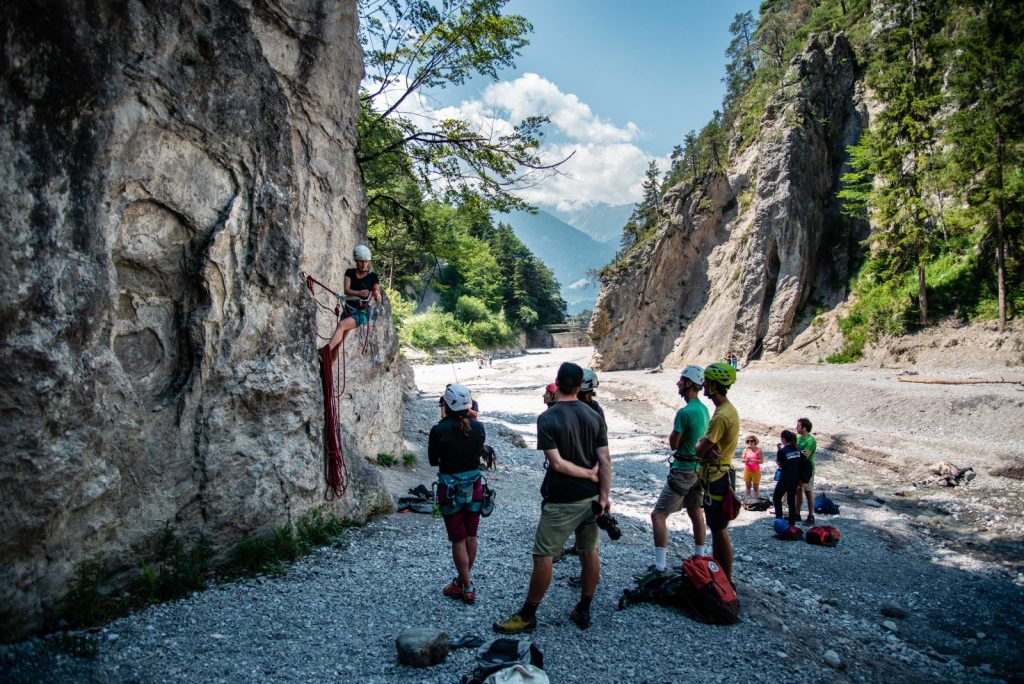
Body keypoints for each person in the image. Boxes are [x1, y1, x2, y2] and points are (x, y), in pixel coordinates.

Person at [493, 362, 612, 633]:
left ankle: (528, 615)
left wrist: (588, 475)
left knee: (543, 556)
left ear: (557, 383)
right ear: (580, 385)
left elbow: (557, 464)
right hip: (592, 499)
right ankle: (584, 608)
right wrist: (604, 495)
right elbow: (605, 459)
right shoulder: (595, 415)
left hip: (562, 499)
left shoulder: (547, 418)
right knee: (589, 550)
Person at [648, 365, 710, 575]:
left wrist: (676, 438)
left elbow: (674, 443)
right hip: (698, 469)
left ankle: (659, 565)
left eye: (681, 380)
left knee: (658, 515)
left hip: (682, 469)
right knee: (695, 511)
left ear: (689, 384)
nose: (678, 383)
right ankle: (700, 555)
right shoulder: (703, 409)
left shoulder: (684, 413)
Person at [429, 384, 487, 604]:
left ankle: (466, 585)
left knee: (458, 539)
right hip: (475, 485)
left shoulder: (438, 430)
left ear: (446, 405)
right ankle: (462, 582)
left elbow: (434, 460)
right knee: (471, 536)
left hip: (450, 487)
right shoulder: (478, 427)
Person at [695, 361, 740, 583]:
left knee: (720, 530)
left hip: (717, 478)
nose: (703, 384)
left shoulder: (722, 415)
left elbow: (701, 448)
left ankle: (726, 580)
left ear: (713, 385)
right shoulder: (726, 411)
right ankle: (721, 575)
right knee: (717, 527)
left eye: (707, 381)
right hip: (720, 475)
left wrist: (700, 448)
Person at [322, 245, 382, 362]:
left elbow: (377, 295)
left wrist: (377, 295)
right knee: (337, 345)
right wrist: (359, 292)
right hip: (348, 309)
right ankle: (327, 373)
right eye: (361, 262)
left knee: (341, 325)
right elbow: (346, 290)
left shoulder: (373, 277)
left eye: (366, 262)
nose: (364, 264)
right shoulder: (349, 272)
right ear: (356, 261)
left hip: (362, 311)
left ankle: (324, 351)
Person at [772, 430, 802, 525]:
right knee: (791, 500)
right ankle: (792, 522)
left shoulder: (782, 451)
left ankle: (779, 520)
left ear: (784, 439)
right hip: (795, 478)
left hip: (785, 478)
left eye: (781, 438)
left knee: (776, 498)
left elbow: (780, 464)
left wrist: (779, 451)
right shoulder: (797, 449)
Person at [795, 418, 818, 525]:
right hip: (798, 468)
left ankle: (811, 515)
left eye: (798, 426)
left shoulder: (810, 440)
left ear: (804, 428)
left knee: (808, 491)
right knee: (798, 490)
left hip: (807, 469)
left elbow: (806, 454)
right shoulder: (797, 438)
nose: (796, 427)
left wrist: (796, 452)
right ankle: (797, 514)